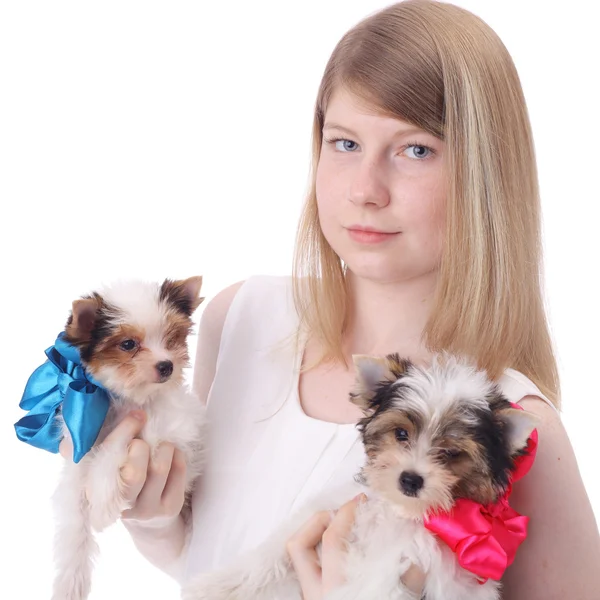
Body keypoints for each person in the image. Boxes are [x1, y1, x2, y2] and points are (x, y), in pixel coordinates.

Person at [60, 1, 600, 598]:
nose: (365, 190)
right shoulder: (239, 319)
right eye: (344, 143)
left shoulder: (513, 424)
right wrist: (156, 517)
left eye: (415, 150)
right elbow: (209, 556)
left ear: (485, 175)